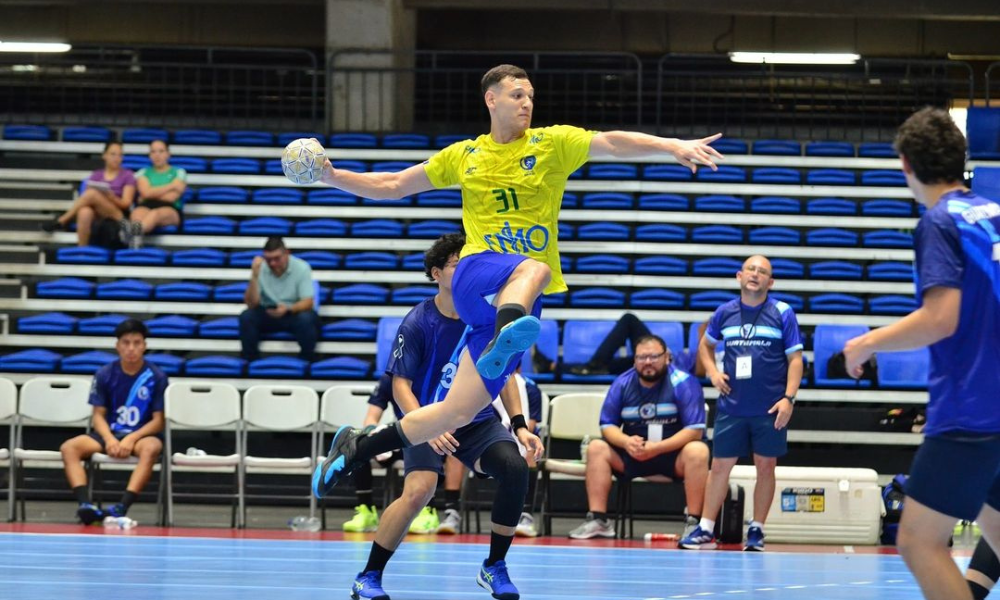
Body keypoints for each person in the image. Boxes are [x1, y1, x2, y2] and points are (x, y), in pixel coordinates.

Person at [313, 63, 722, 507]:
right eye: (517, 95)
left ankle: (355, 448)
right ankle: (509, 332)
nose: (527, 102)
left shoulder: (552, 143)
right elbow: (392, 184)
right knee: (538, 268)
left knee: (457, 411)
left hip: (519, 301)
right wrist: (332, 176)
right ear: (491, 99)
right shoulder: (465, 155)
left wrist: (670, 145)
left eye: (530, 96)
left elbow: (613, 142)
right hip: (479, 275)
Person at [842, 107, 1000, 600]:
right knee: (993, 521)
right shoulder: (993, 214)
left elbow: (940, 318)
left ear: (906, 165)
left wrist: (866, 342)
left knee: (917, 540)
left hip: (972, 410)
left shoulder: (939, 222)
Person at [350, 233, 543, 600]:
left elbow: (506, 376)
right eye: (458, 262)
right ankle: (368, 576)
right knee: (419, 491)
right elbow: (399, 386)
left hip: (476, 420)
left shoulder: (488, 316)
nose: (469, 268)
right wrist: (429, 424)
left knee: (515, 467)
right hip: (426, 417)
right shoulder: (419, 321)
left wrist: (519, 425)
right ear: (436, 273)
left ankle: (494, 566)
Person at [680, 254, 803, 551]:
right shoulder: (724, 312)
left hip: (770, 408)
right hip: (732, 406)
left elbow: (796, 359)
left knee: (766, 466)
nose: (755, 274)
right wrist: (711, 371)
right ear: (739, 275)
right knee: (720, 466)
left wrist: (788, 399)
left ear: (770, 282)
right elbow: (705, 346)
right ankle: (706, 528)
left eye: (762, 271)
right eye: (751, 269)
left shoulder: (783, 313)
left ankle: (757, 530)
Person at [568, 335, 708, 539]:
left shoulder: (685, 382)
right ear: (634, 360)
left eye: (654, 356)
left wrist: (657, 448)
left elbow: (695, 430)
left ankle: (694, 523)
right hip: (633, 455)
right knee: (596, 448)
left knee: (698, 450)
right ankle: (598, 520)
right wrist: (626, 442)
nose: (648, 362)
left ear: (667, 357)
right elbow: (607, 426)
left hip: (673, 457)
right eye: (642, 357)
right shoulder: (622, 383)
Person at [59, 319, 166, 524]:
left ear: (145, 346)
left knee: (152, 447)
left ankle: (122, 506)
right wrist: (109, 439)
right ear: (117, 346)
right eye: (126, 343)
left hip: (140, 435)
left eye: (137, 343)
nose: (131, 348)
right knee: (69, 448)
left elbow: (158, 421)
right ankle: (85, 505)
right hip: (109, 433)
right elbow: (98, 414)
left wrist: (131, 439)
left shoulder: (156, 376)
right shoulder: (105, 373)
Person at [239, 236, 319, 363]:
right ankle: (250, 361)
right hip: (268, 312)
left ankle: (307, 361)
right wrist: (254, 276)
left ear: (287, 253)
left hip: (293, 312)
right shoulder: (260, 268)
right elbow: (251, 304)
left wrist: (288, 309)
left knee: (308, 319)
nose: (272, 263)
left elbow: (308, 302)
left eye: (277, 259)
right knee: (247, 316)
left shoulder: (302, 267)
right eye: (269, 259)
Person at [41, 141, 136, 246]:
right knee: (84, 211)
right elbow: (86, 201)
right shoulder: (96, 175)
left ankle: (62, 221)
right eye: (113, 154)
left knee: (92, 194)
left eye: (120, 155)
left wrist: (111, 197)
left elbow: (126, 203)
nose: (116, 158)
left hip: (118, 216)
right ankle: (82, 251)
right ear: (104, 155)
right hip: (97, 214)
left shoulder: (127, 175)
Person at [122, 139, 187, 248]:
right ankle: (135, 241)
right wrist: (171, 185)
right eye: (153, 152)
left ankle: (134, 234)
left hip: (170, 208)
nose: (157, 155)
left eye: (161, 151)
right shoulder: (143, 172)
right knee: (136, 214)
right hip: (146, 205)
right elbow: (146, 193)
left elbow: (172, 197)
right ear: (149, 155)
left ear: (168, 153)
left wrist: (151, 192)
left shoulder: (179, 172)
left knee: (155, 214)